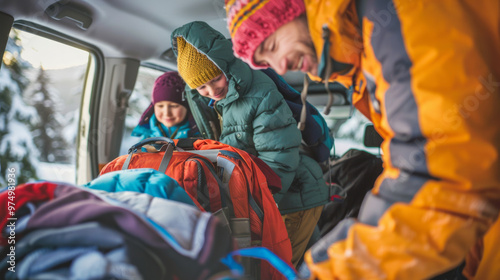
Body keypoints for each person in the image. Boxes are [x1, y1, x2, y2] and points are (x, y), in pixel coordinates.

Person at [224, 0, 500, 279]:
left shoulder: (394, 21)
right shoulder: (366, 55)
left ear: (294, 8)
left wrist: (336, 270)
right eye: (266, 64)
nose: (281, 68)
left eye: (271, 47)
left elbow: (441, 172)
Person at [171, 21, 328, 268]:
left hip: (295, 193)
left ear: (226, 66)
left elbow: (279, 158)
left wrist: (253, 207)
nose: (211, 90)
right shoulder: (216, 101)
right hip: (273, 194)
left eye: (215, 79)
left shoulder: (261, 94)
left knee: (278, 268)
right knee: (307, 264)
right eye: (201, 86)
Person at [132, 71, 200, 140]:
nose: (167, 113)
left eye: (174, 106)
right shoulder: (147, 134)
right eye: (160, 106)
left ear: (187, 106)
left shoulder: (198, 135)